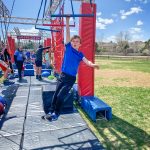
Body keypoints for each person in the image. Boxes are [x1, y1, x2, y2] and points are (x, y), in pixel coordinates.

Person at [45, 17, 99, 121]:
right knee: (56, 94)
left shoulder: (80, 54)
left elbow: (86, 61)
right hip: (62, 76)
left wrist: (92, 65)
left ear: (80, 44)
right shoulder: (68, 48)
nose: (74, 42)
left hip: (70, 79)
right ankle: (51, 110)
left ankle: (56, 113)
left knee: (61, 96)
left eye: (77, 41)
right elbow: (68, 34)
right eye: (73, 41)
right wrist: (68, 21)